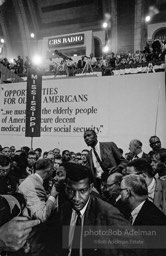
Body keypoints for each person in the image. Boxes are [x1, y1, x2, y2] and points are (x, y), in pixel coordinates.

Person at [54, 162, 135, 256]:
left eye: (82, 191)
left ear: (91, 188)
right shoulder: (65, 209)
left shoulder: (107, 212)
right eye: (70, 190)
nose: (76, 198)